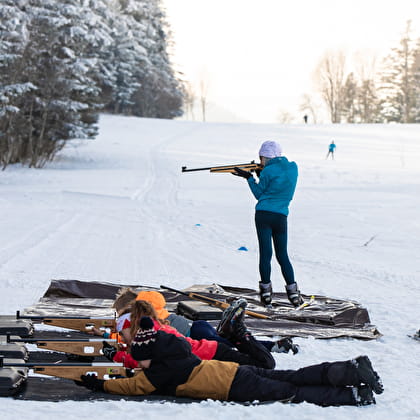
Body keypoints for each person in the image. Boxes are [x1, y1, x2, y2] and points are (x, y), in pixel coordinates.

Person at [77, 315, 383, 406]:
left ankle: (352, 395)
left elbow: (134, 387)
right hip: (234, 370)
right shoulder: (175, 352)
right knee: (295, 375)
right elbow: (141, 371)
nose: (137, 363)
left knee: (291, 392)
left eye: (139, 359)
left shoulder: (158, 373)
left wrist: (101, 386)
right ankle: (351, 369)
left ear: (149, 356)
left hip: (234, 387)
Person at [103, 298, 276, 370]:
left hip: (213, 354)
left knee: (266, 364)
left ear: (132, 327)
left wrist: (116, 356)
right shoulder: (152, 330)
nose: (121, 336)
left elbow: (141, 361)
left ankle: (238, 332)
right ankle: (234, 335)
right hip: (212, 350)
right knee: (259, 362)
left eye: (121, 332)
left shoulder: (153, 335)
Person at [233, 140, 303, 307]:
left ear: (264, 157)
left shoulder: (268, 171)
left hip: (263, 215)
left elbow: (260, 194)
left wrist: (250, 177)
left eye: (261, 158)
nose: (260, 161)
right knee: (282, 255)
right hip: (281, 217)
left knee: (266, 255)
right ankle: (293, 294)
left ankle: (265, 294)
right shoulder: (293, 168)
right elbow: (277, 184)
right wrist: (260, 174)